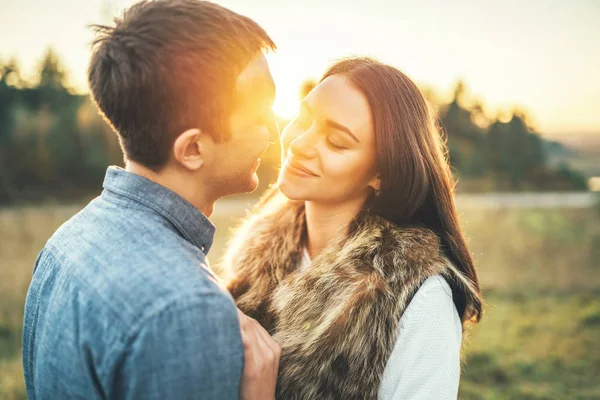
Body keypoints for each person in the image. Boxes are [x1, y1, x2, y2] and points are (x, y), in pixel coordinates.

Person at [22, 1, 281, 399]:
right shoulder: (185, 310)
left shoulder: (67, 241)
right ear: (192, 148)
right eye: (259, 117)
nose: (273, 131)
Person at [224, 57, 483, 399]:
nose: (300, 144)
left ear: (382, 174)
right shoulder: (252, 257)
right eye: (303, 120)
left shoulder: (418, 298)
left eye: (336, 142)